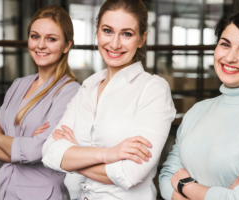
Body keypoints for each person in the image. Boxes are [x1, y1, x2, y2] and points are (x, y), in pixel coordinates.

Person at [41, 0, 176, 199]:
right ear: (97, 31)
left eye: (127, 34)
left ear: (142, 39)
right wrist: (109, 154)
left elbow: (129, 173)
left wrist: (75, 157)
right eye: (108, 31)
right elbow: (49, 152)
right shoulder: (87, 87)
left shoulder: (153, 89)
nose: (114, 43)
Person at [159, 9, 239, 200]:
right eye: (225, 44)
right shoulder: (198, 110)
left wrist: (186, 186)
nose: (230, 58)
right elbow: (167, 175)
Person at [0, 5, 79, 200]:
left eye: (51, 39)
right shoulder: (19, 84)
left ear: (67, 45)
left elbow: (38, 150)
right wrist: (23, 147)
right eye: (35, 36)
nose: (40, 45)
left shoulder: (70, 91)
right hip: (5, 191)